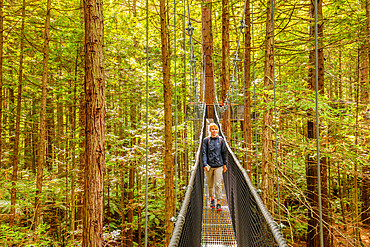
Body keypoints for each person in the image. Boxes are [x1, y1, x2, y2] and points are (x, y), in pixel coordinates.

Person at [202, 123, 227, 211]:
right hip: (209, 165)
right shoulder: (206, 140)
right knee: (210, 184)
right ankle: (212, 199)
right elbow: (204, 153)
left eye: (215, 129)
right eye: (212, 129)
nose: (214, 130)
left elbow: (224, 152)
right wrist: (205, 164)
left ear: (217, 130)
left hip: (218, 165)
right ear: (209, 130)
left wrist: (225, 164)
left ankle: (218, 203)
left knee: (218, 184)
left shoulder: (221, 140)